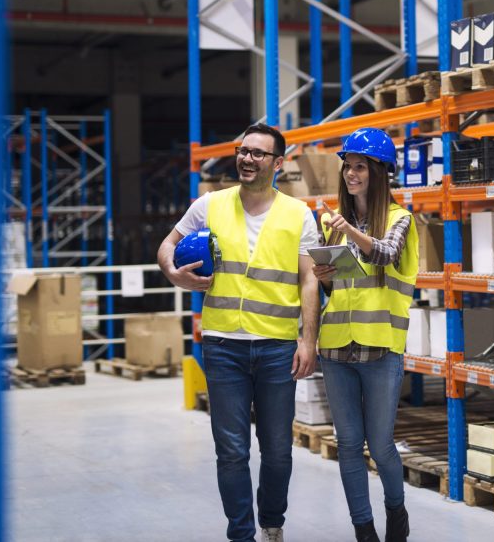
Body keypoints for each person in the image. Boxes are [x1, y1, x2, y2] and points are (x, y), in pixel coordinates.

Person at [157, 122, 319, 542]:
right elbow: (166, 246)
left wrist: (308, 341)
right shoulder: (209, 205)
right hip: (223, 345)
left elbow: (309, 280)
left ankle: (272, 523)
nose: (247, 159)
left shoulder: (299, 215)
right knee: (231, 451)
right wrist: (176, 275)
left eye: (257, 153)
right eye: (243, 151)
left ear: (278, 163)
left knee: (278, 450)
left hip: (277, 347)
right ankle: (241, 534)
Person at [313, 128, 419, 542]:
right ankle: (363, 530)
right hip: (336, 347)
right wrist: (323, 276)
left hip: (380, 348)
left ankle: (397, 511)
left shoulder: (400, 218)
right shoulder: (330, 222)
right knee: (348, 445)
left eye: (360, 167)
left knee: (381, 446)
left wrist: (349, 232)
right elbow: (332, 286)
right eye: (347, 166)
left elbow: (386, 254)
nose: (351, 173)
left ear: (379, 172)